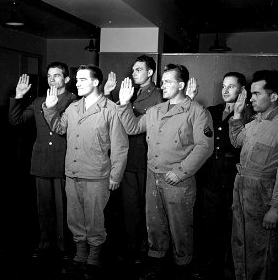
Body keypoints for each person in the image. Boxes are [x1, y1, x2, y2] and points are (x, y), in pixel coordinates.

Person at [116, 64, 213, 280]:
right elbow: (132, 127)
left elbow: (204, 147)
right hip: (154, 176)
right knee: (155, 224)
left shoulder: (197, 112)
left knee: (180, 228)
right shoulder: (156, 110)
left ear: (181, 84)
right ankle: (156, 264)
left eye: (168, 81)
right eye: (163, 81)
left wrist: (180, 172)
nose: (163, 85)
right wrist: (123, 104)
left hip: (179, 180)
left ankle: (182, 266)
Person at [42, 64, 128, 279]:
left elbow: (120, 146)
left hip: (96, 175)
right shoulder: (72, 108)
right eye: (77, 79)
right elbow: (60, 128)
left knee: (94, 219)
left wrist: (115, 175)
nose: (77, 83)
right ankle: (80, 252)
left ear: (96, 82)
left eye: (82, 79)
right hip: (72, 172)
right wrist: (50, 109)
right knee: (74, 218)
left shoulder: (110, 109)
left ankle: (94, 255)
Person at [229, 70, 278, 280]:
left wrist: (275, 208)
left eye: (256, 94)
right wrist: (236, 115)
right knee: (242, 247)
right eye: (251, 94)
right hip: (243, 200)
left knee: (264, 254)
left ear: (273, 97)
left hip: (264, 202)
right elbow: (236, 141)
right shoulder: (255, 123)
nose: (251, 99)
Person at [9, 62, 76, 261]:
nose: (52, 79)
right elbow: (16, 121)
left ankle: (65, 247)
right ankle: (45, 244)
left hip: (63, 162)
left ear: (66, 79)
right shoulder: (39, 101)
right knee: (44, 208)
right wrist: (18, 96)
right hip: (41, 162)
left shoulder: (75, 102)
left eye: (57, 75)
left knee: (63, 208)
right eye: (49, 76)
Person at [104, 55, 163, 265]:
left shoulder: (158, 95)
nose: (134, 73)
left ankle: (146, 250)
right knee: (130, 209)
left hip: (145, 158)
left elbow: (135, 124)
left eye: (139, 69)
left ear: (150, 72)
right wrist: (109, 93)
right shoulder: (131, 92)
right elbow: (115, 116)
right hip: (127, 158)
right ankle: (132, 248)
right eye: (133, 70)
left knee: (146, 208)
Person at [194, 72, 253, 279]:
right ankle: (210, 265)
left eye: (231, 86)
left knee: (231, 223)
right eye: (224, 86)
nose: (225, 90)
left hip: (232, 175)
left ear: (242, 90)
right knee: (210, 222)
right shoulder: (212, 111)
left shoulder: (250, 114)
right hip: (210, 172)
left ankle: (229, 268)